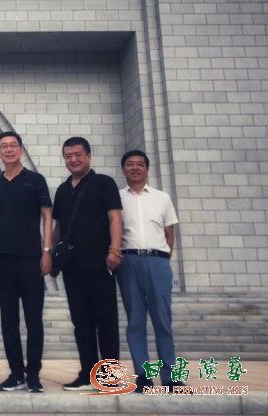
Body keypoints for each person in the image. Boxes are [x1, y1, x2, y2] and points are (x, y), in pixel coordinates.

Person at [52, 137, 123, 391]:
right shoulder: (62, 190)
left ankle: (110, 377)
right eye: (68, 156)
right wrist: (52, 254)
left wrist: (115, 249)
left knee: (105, 321)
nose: (73, 160)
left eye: (78, 155)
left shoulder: (104, 183)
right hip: (72, 267)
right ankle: (87, 374)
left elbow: (115, 218)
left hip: (99, 263)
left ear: (89, 156)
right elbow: (58, 226)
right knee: (81, 323)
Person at [0, 131, 53, 393]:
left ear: (21, 150)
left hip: (31, 258)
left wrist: (47, 251)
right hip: (2, 260)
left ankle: (33, 374)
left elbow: (47, 217)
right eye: (4, 146)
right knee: (8, 318)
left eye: (13, 145)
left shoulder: (35, 180)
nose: (9, 150)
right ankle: (16, 373)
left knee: (34, 317)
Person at [117, 150, 183, 392]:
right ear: (123, 169)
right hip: (128, 262)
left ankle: (170, 377)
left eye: (140, 164)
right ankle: (144, 377)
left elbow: (169, 233)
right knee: (135, 321)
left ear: (147, 169)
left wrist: (162, 258)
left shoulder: (162, 197)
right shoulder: (116, 198)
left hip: (157, 262)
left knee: (163, 321)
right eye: (130, 164)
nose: (135, 168)